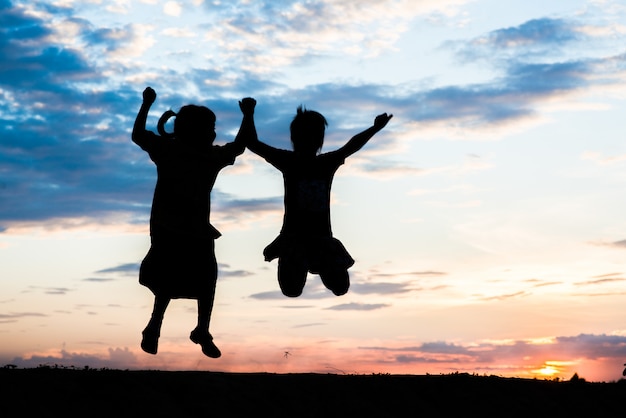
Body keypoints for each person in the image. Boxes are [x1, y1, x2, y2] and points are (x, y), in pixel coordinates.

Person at [132, 86, 255, 357]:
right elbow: (240, 145)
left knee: (204, 277)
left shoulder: (199, 154)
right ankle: (157, 326)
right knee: (175, 278)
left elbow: (239, 146)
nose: (211, 131)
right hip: (169, 226)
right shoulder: (173, 150)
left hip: (194, 228)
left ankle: (195, 329)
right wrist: (248, 115)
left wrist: (146, 104)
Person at [245, 102, 392, 297]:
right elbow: (253, 143)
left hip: (320, 239)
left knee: (340, 287)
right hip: (295, 239)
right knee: (292, 290)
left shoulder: (322, 163)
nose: (310, 140)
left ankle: (314, 263)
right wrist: (248, 114)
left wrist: (375, 128)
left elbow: (352, 145)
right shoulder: (293, 162)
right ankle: (300, 261)